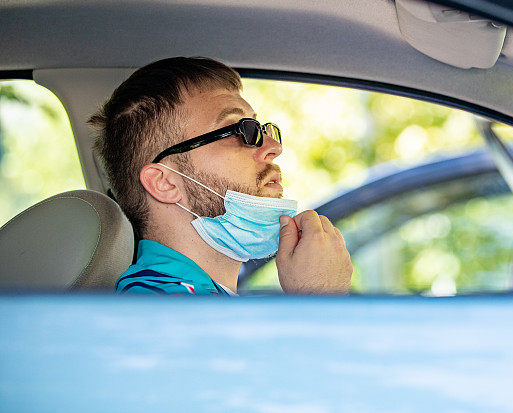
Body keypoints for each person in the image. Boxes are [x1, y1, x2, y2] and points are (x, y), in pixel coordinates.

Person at [88, 57, 353, 295]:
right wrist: (319, 300)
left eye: (261, 128)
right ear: (164, 183)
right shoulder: (152, 308)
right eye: (240, 130)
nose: (273, 146)